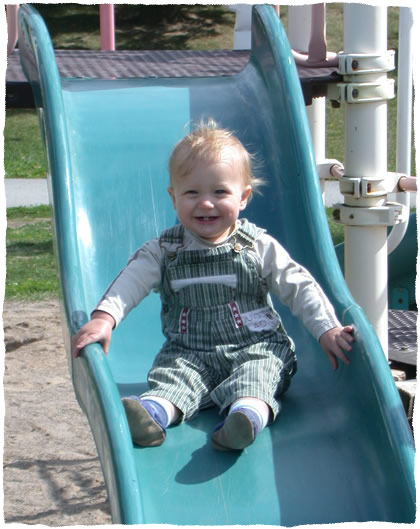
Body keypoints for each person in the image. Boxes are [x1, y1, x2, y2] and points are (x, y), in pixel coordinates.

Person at [72, 120, 354, 451]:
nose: (206, 203)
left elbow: (298, 286)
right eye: (192, 193)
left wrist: (326, 329)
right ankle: (152, 414)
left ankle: (245, 418)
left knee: (261, 376)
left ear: (244, 196)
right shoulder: (165, 250)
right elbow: (130, 282)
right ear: (173, 197)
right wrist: (105, 318)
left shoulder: (257, 246)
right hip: (190, 352)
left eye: (220, 192)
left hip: (256, 346)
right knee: (174, 380)